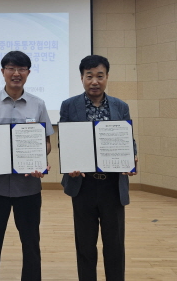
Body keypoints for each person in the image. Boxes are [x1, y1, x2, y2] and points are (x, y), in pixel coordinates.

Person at [0, 50, 54, 281]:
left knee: (31, 243)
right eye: (11, 68)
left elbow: (46, 142)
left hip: (28, 187)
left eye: (21, 69)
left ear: (28, 73)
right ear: (3, 71)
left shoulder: (38, 104)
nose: (16, 73)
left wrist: (40, 160)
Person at [60, 55, 137, 281]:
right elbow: (65, 140)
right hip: (82, 184)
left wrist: (131, 158)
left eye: (100, 76)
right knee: (85, 244)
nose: (95, 81)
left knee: (115, 243)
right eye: (89, 76)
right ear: (82, 78)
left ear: (107, 77)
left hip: (112, 185)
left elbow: (128, 140)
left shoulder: (120, 106)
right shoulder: (69, 105)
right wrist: (71, 163)